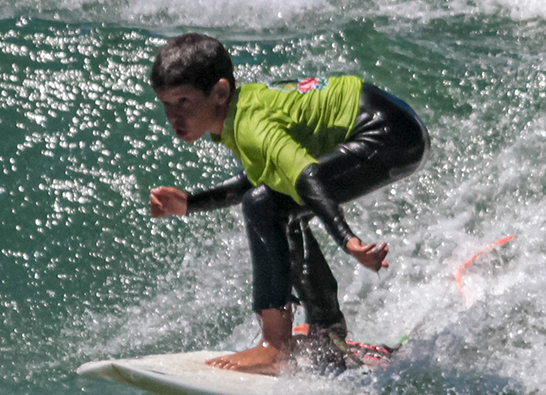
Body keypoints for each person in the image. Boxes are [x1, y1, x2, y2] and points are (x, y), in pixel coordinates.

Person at [147, 34, 427, 374]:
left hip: (388, 133)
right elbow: (263, 178)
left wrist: (347, 240)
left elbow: (305, 176)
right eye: (165, 103)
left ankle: (276, 345)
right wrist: (190, 203)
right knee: (269, 200)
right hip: (387, 117)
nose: (173, 116)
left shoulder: (251, 124)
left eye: (183, 101)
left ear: (219, 93)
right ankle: (326, 330)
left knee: (264, 204)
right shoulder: (241, 110)